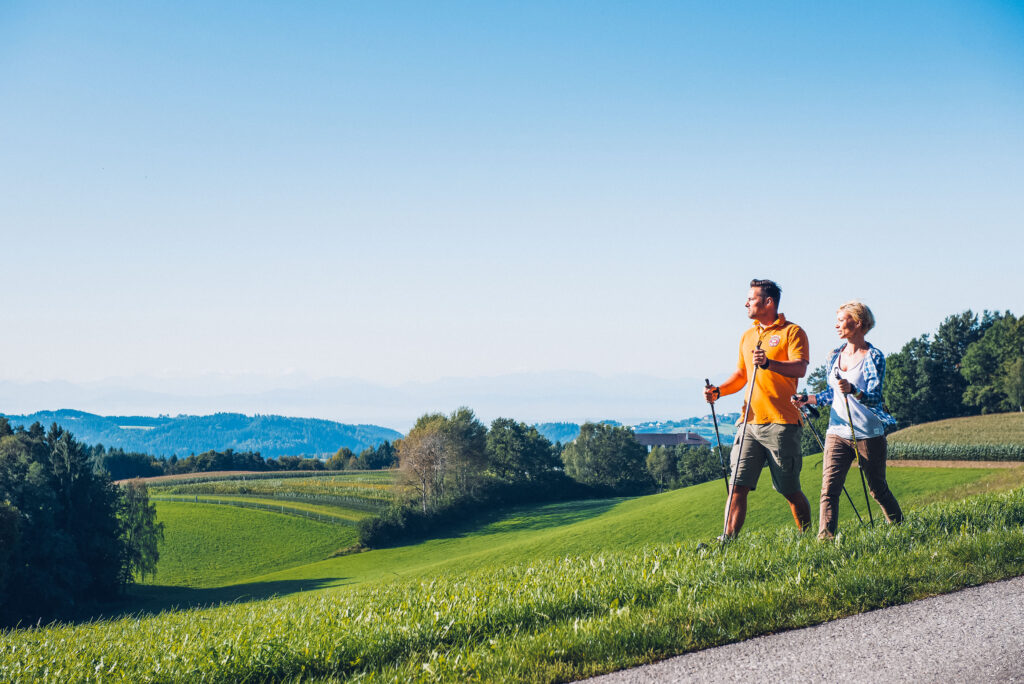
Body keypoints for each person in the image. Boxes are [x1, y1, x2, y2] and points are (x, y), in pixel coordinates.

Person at [704, 279, 812, 538]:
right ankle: (727, 541)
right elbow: (742, 374)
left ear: (768, 302)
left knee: (789, 489)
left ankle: (808, 538)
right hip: (748, 423)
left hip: (782, 422)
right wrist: (719, 391)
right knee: (737, 486)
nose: (746, 303)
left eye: (751, 298)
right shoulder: (748, 335)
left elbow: (800, 368)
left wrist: (769, 363)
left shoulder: (793, 332)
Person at [793, 300, 902, 539]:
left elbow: (874, 397)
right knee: (829, 490)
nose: (837, 325)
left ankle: (900, 528)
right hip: (837, 432)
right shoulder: (834, 356)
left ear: (858, 323)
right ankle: (825, 539)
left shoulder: (873, 356)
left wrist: (853, 390)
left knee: (877, 489)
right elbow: (831, 394)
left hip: (868, 433)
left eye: (842, 320)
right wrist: (806, 398)